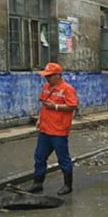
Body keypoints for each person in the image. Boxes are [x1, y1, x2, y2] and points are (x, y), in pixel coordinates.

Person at [27, 63, 79, 195]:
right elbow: (44, 105)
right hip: (45, 130)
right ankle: (38, 183)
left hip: (59, 131)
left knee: (63, 159)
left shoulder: (67, 89)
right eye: (46, 76)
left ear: (58, 75)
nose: (47, 78)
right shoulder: (46, 87)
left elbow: (73, 106)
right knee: (39, 157)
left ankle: (68, 185)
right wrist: (40, 119)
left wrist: (55, 107)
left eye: (49, 76)